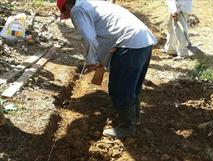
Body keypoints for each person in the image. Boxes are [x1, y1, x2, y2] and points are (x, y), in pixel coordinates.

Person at [57, 0, 157, 138]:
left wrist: (91, 61)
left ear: (66, 7)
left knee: (119, 88)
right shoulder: (91, 4)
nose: (69, 18)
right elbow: (106, 37)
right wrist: (100, 62)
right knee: (132, 86)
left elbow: (90, 39)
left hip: (130, 43)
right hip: (143, 41)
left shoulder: (77, 10)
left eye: (66, 14)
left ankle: (127, 127)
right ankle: (134, 119)